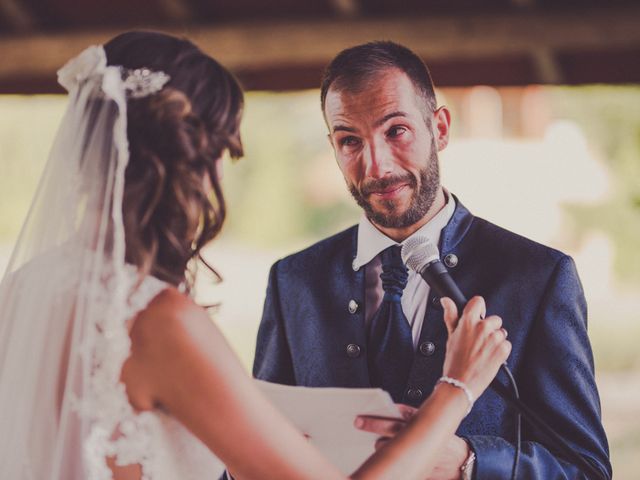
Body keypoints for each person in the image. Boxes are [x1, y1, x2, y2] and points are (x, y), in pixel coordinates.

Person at [0, 32, 511, 480]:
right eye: (223, 152)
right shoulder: (158, 320)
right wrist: (456, 390)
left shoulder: (22, 290)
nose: (221, 175)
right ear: (185, 159)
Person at [253, 41, 612, 479]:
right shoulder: (293, 280)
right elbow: (253, 449)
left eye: (396, 130)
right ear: (333, 146)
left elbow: (587, 470)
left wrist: (470, 462)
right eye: (350, 141)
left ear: (439, 128)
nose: (376, 166)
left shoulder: (538, 277)